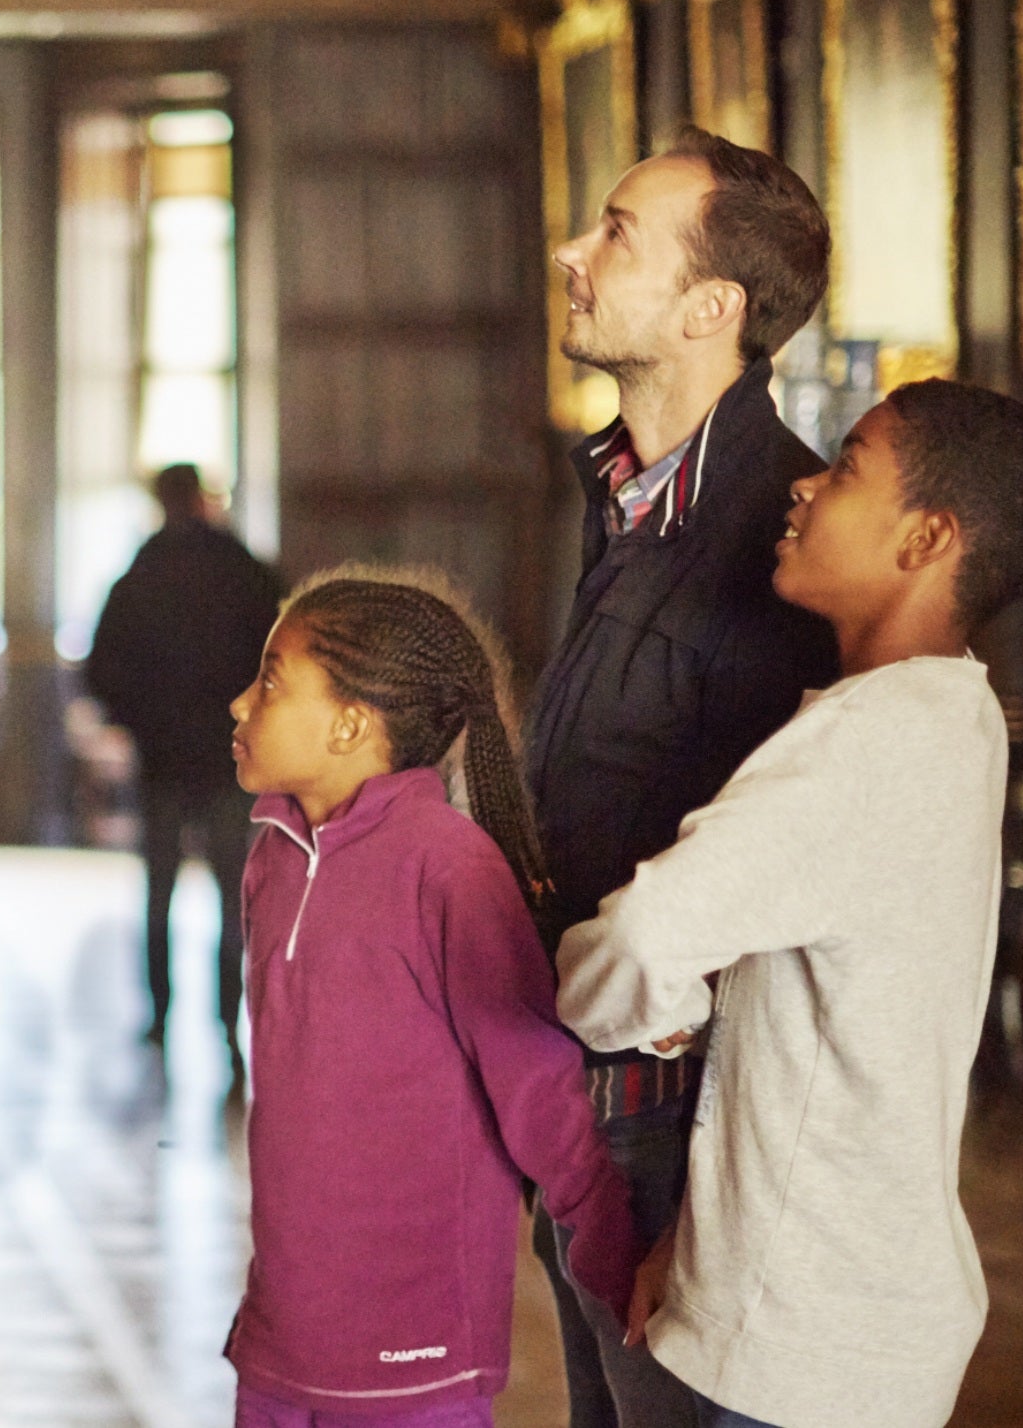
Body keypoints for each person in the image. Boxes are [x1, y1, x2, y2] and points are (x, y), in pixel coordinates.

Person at [557, 381, 1023, 1428]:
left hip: (809, 1332)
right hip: (830, 1296)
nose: (804, 485)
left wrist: (632, 1008)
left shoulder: (867, 744)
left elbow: (636, 941)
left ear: (925, 537)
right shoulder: (948, 713)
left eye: (847, 467)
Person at [521, 128, 842, 1428]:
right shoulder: (623, 491)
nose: (571, 253)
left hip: (682, 1113)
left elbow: (775, 884)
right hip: (588, 1086)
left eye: (614, 233)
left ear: (712, 308)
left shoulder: (788, 532)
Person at [225, 569, 637, 1427]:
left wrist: (612, 1244)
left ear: (350, 723)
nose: (239, 705)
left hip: (412, 1347)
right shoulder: (272, 853)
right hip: (282, 1332)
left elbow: (535, 1079)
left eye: (269, 682)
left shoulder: (447, 866)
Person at [85, 463, 281, 1052]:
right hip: (231, 756)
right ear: (199, 497)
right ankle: (229, 1018)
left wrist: (140, 723)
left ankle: (159, 1014)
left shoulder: (140, 574)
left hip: (163, 760)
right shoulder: (241, 569)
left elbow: (103, 668)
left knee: (160, 890)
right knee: (234, 894)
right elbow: (280, 655)